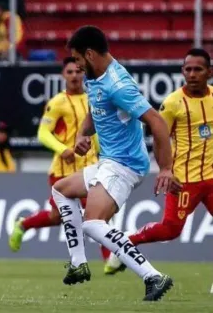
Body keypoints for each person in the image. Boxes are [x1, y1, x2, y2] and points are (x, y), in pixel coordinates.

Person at [52, 25, 181, 301]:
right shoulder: (96, 76)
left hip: (125, 165)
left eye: (76, 59)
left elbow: (157, 122)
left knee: (92, 223)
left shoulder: (118, 85)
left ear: (89, 54)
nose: (75, 66)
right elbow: (94, 109)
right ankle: (78, 264)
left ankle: (152, 276)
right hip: (108, 161)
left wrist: (166, 168)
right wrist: (82, 133)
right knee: (61, 190)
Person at [104, 48, 213, 275]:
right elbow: (160, 138)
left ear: (209, 72)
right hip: (184, 181)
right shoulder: (173, 103)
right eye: (188, 69)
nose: (192, 74)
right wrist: (166, 170)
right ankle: (126, 241)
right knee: (170, 230)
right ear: (183, 71)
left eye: (198, 69)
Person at [8, 57, 98, 251]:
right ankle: (24, 224)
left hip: (89, 168)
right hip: (63, 171)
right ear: (63, 75)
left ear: (84, 73)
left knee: (98, 213)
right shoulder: (57, 102)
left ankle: (110, 260)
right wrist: (62, 149)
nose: (74, 76)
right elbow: (42, 133)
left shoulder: (93, 99)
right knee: (57, 217)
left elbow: (95, 132)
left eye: (78, 71)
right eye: (70, 72)